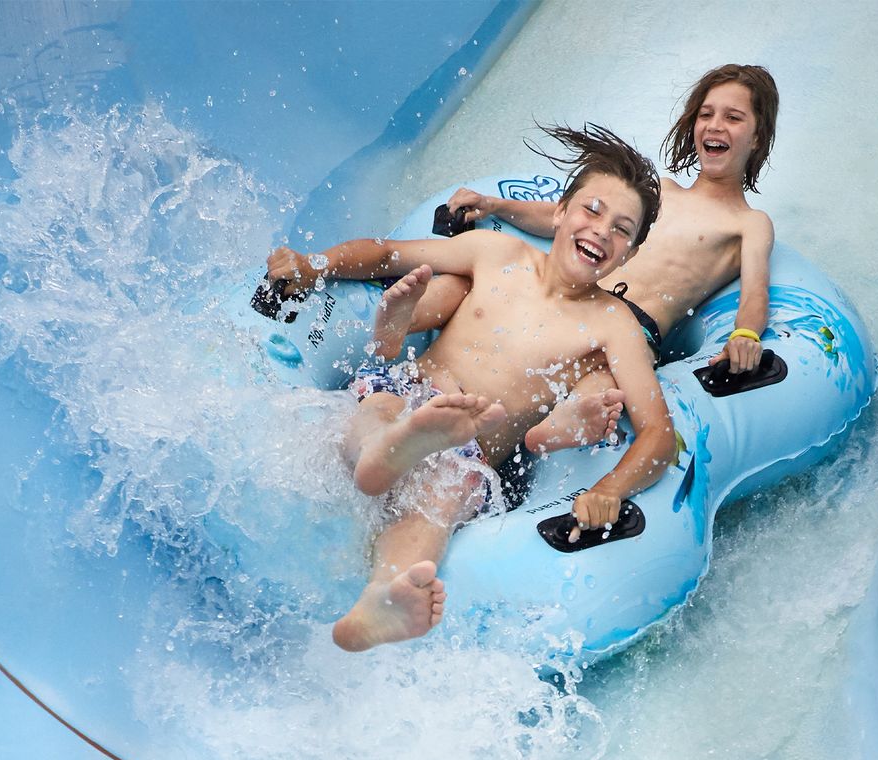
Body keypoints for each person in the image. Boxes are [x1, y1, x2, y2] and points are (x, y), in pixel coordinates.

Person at [264, 125, 677, 651]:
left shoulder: (613, 325)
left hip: (469, 444)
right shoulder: (497, 255)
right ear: (559, 212)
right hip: (408, 393)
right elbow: (387, 255)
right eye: (592, 210)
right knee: (382, 409)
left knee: (442, 495)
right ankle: (385, 450)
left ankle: (382, 599)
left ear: (630, 254)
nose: (601, 231)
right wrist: (313, 264)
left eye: (622, 229)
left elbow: (658, 435)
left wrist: (607, 490)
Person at [439, 64, 782, 450]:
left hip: (630, 329)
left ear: (757, 138)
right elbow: (565, 219)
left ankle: (551, 433)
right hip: (578, 300)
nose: (715, 125)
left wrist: (745, 334)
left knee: (600, 388)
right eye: (706, 114)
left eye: (733, 118)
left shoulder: (749, 222)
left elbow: (755, 290)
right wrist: (495, 205)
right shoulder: (660, 193)